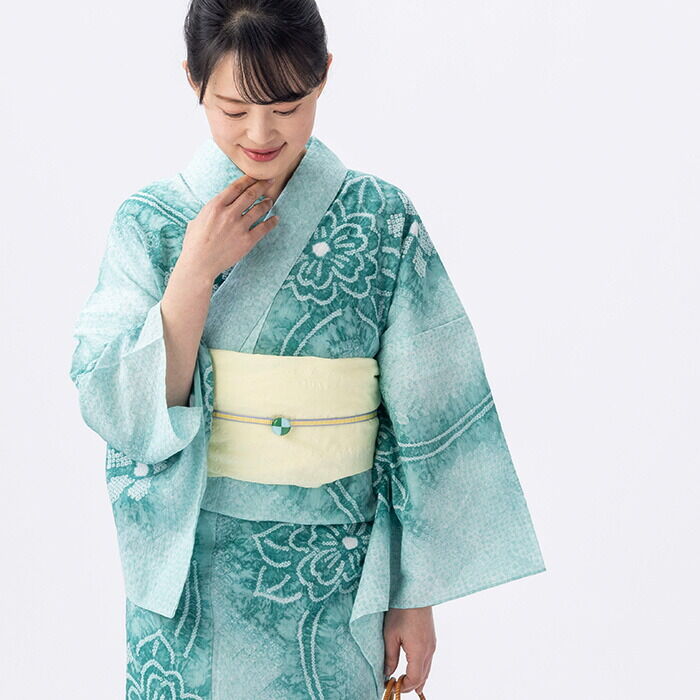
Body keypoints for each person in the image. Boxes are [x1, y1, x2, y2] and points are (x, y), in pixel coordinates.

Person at [68, 1, 547, 698]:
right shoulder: (152, 223)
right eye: (234, 110)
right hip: (192, 580)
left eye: (287, 106)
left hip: (337, 574)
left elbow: (426, 415)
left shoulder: (380, 220)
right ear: (193, 80)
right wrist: (193, 273)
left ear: (323, 74)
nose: (261, 133)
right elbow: (114, 404)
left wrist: (413, 594)